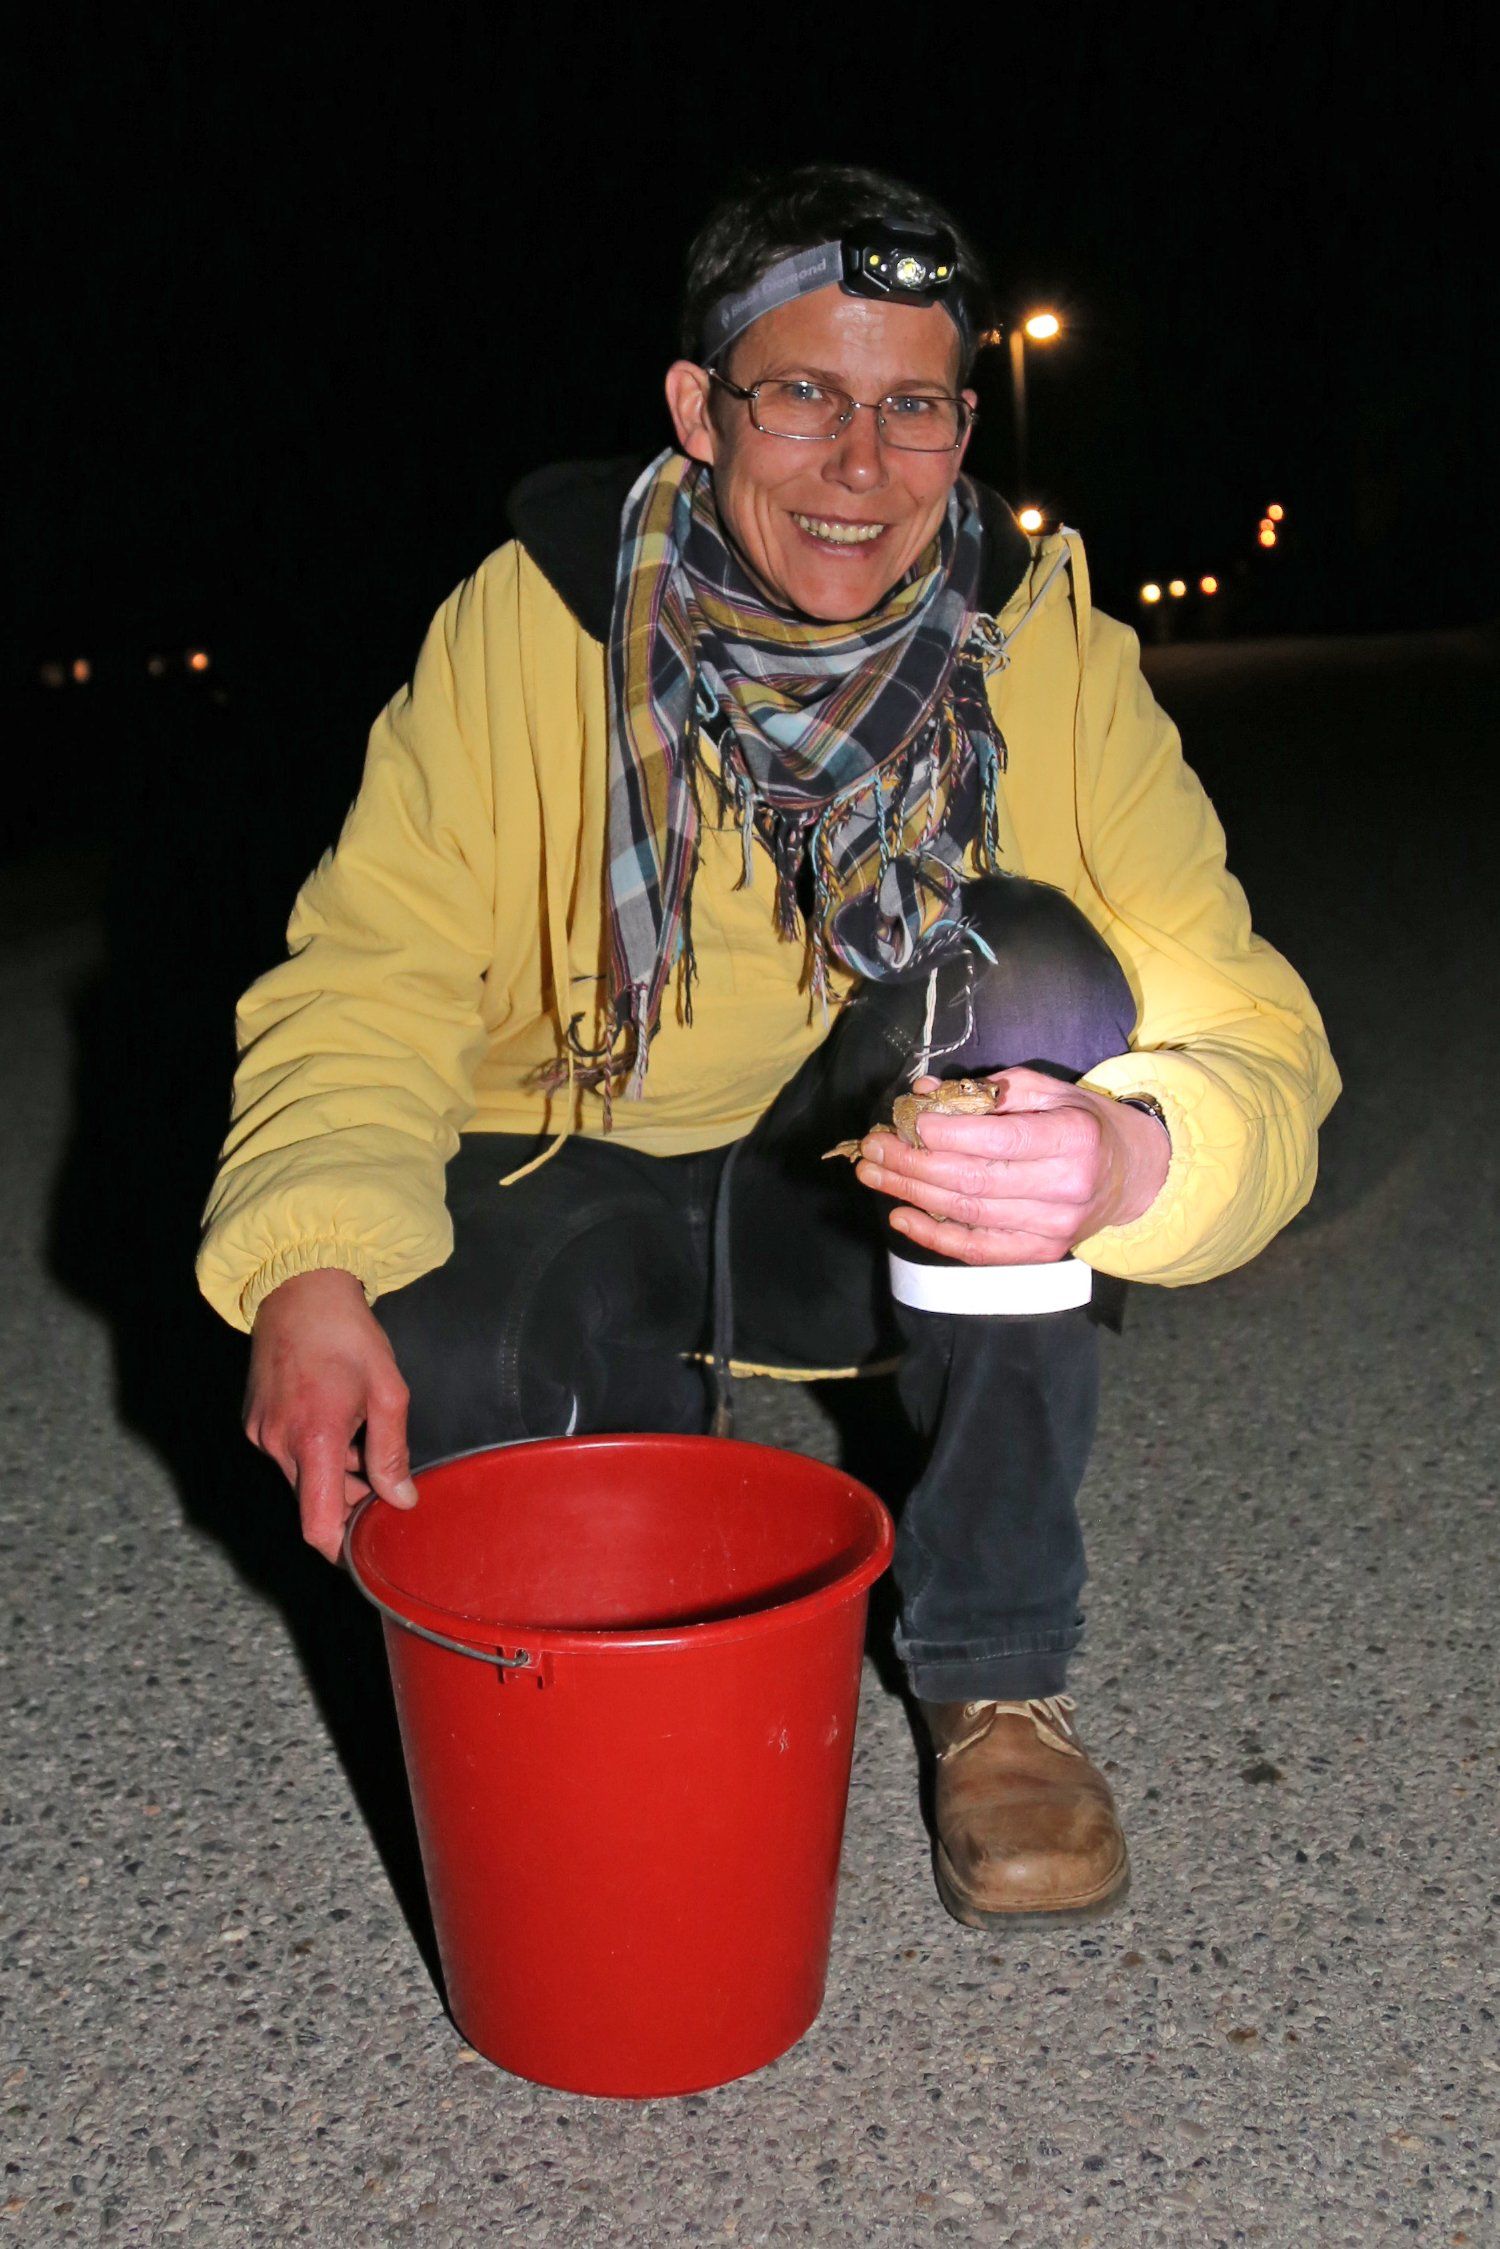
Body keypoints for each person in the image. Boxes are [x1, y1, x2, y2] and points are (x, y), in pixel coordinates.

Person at [198, 163, 1339, 1931]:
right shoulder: (524, 622)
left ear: (964, 428)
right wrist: (308, 1258)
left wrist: (1134, 1153)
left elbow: (1256, 1034)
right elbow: (369, 973)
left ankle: (994, 1672)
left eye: (914, 407)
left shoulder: (1044, 640)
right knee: (442, 1339)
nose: (861, 465)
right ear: (698, 406)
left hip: (860, 1197)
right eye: (803, 393)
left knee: (1035, 970)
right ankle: (614, 1663)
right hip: (575, 1164)